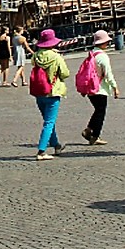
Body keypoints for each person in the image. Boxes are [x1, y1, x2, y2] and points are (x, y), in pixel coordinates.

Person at [27, 29, 70, 160]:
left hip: (39, 92)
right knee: (49, 122)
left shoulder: (35, 56)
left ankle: (56, 145)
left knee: (48, 120)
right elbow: (65, 74)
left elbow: (34, 64)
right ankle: (41, 151)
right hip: (53, 92)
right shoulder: (56, 57)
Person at [76, 30, 118, 145]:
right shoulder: (103, 57)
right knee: (100, 112)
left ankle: (89, 130)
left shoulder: (91, 54)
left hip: (90, 88)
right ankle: (94, 135)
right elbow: (108, 74)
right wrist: (115, 87)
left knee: (98, 110)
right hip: (100, 88)